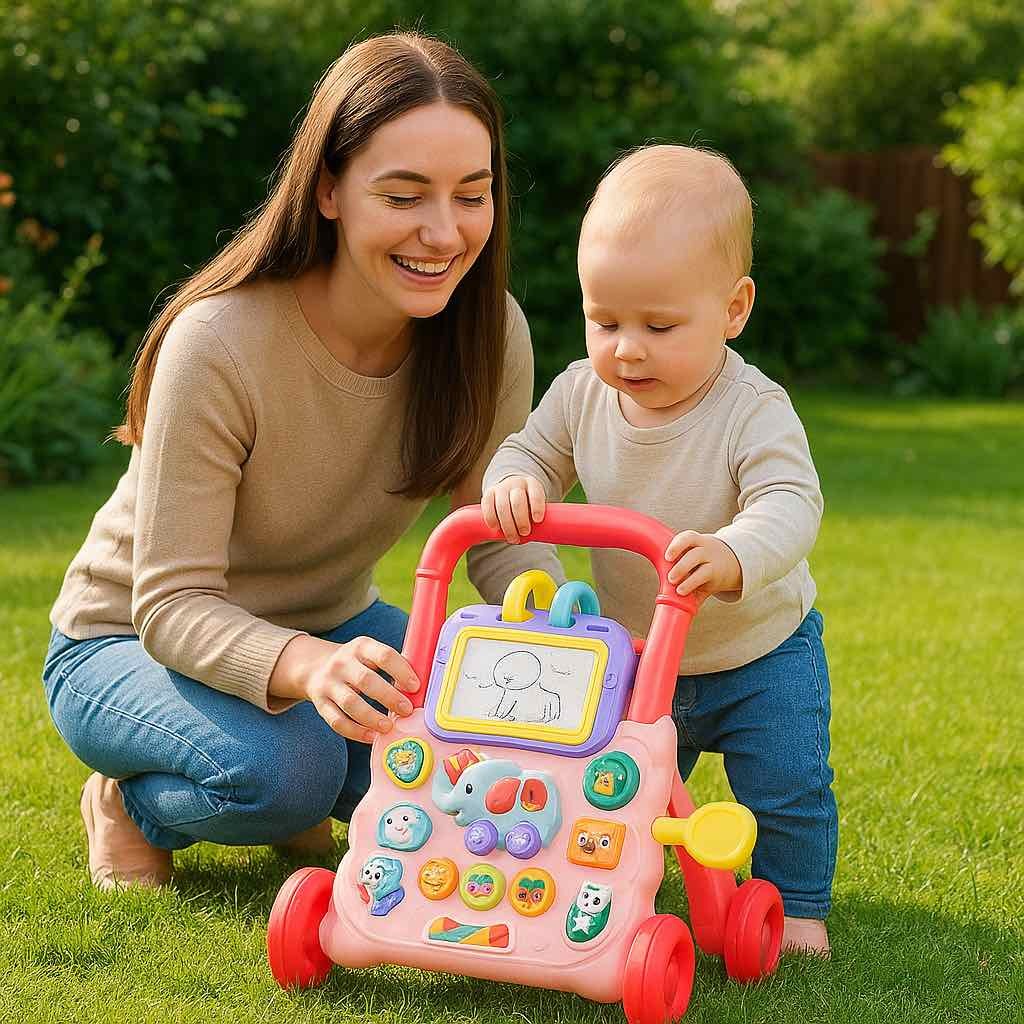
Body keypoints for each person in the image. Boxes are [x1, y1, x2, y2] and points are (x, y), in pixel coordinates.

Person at [42, 31, 559, 891]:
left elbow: (490, 532)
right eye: (404, 196)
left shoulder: (489, 333)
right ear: (328, 190)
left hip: (334, 628)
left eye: (473, 195)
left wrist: (560, 635)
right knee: (289, 776)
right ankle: (127, 804)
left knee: (490, 746)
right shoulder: (221, 342)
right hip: (126, 643)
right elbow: (171, 603)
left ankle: (311, 762)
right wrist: (310, 668)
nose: (444, 231)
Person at [481, 145, 837, 956]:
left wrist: (733, 551)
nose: (627, 349)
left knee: (786, 787)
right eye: (604, 322)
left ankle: (799, 905)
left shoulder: (753, 410)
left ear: (734, 308)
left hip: (757, 652)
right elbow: (528, 451)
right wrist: (514, 481)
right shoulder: (582, 392)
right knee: (608, 782)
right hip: (641, 656)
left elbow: (791, 502)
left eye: (659, 326)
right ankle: (599, 879)